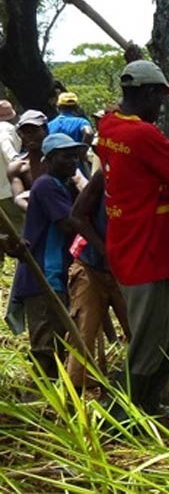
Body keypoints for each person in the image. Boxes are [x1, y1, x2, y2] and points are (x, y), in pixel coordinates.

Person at [96, 60, 169, 416]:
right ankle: (124, 413)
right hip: (143, 251)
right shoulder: (142, 134)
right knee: (146, 343)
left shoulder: (109, 124)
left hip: (137, 246)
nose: (162, 107)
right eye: (159, 98)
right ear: (146, 93)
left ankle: (149, 399)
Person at [10, 133, 83, 378]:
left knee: (58, 337)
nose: (72, 162)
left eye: (75, 156)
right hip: (42, 272)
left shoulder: (62, 185)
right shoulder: (47, 185)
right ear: (50, 159)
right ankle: (41, 399)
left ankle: (54, 395)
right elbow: (68, 224)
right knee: (45, 343)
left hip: (55, 272)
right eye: (66, 157)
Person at [66, 169, 130, 388]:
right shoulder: (104, 176)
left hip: (126, 270)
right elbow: (76, 216)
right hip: (91, 266)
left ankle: (145, 390)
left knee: (140, 329)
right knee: (83, 332)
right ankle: (75, 396)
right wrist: (105, 251)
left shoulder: (148, 178)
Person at [9, 110, 49, 214]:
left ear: (45, 129)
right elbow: (18, 198)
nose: (29, 135)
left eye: (34, 130)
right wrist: (36, 213)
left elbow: (79, 181)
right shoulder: (18, 167)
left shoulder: (60, 157)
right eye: (25, 132)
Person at [0, 101, 23, 231]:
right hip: (8, 189)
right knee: (20, 227)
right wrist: (16, 161)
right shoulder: (5, 128)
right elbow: (7, 148)